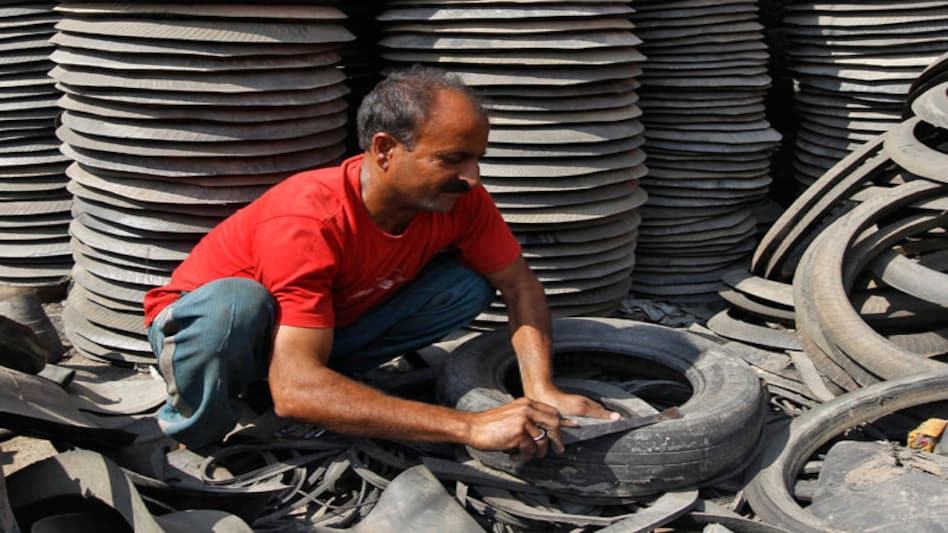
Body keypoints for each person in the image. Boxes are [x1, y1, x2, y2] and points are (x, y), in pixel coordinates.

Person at [143, 66, 617, 461]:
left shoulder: (462, 202)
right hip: (206, 326)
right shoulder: (309, 215)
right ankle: (196, 432)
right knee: (237, 305)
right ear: (386, 150)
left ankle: (322, 384)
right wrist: (469, 426)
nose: (472, 178)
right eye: (454, 159)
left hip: (313, 327)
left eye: (477, 159)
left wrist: (542, 390)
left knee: (468, 284)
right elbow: (294, 393)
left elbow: (520, 287)